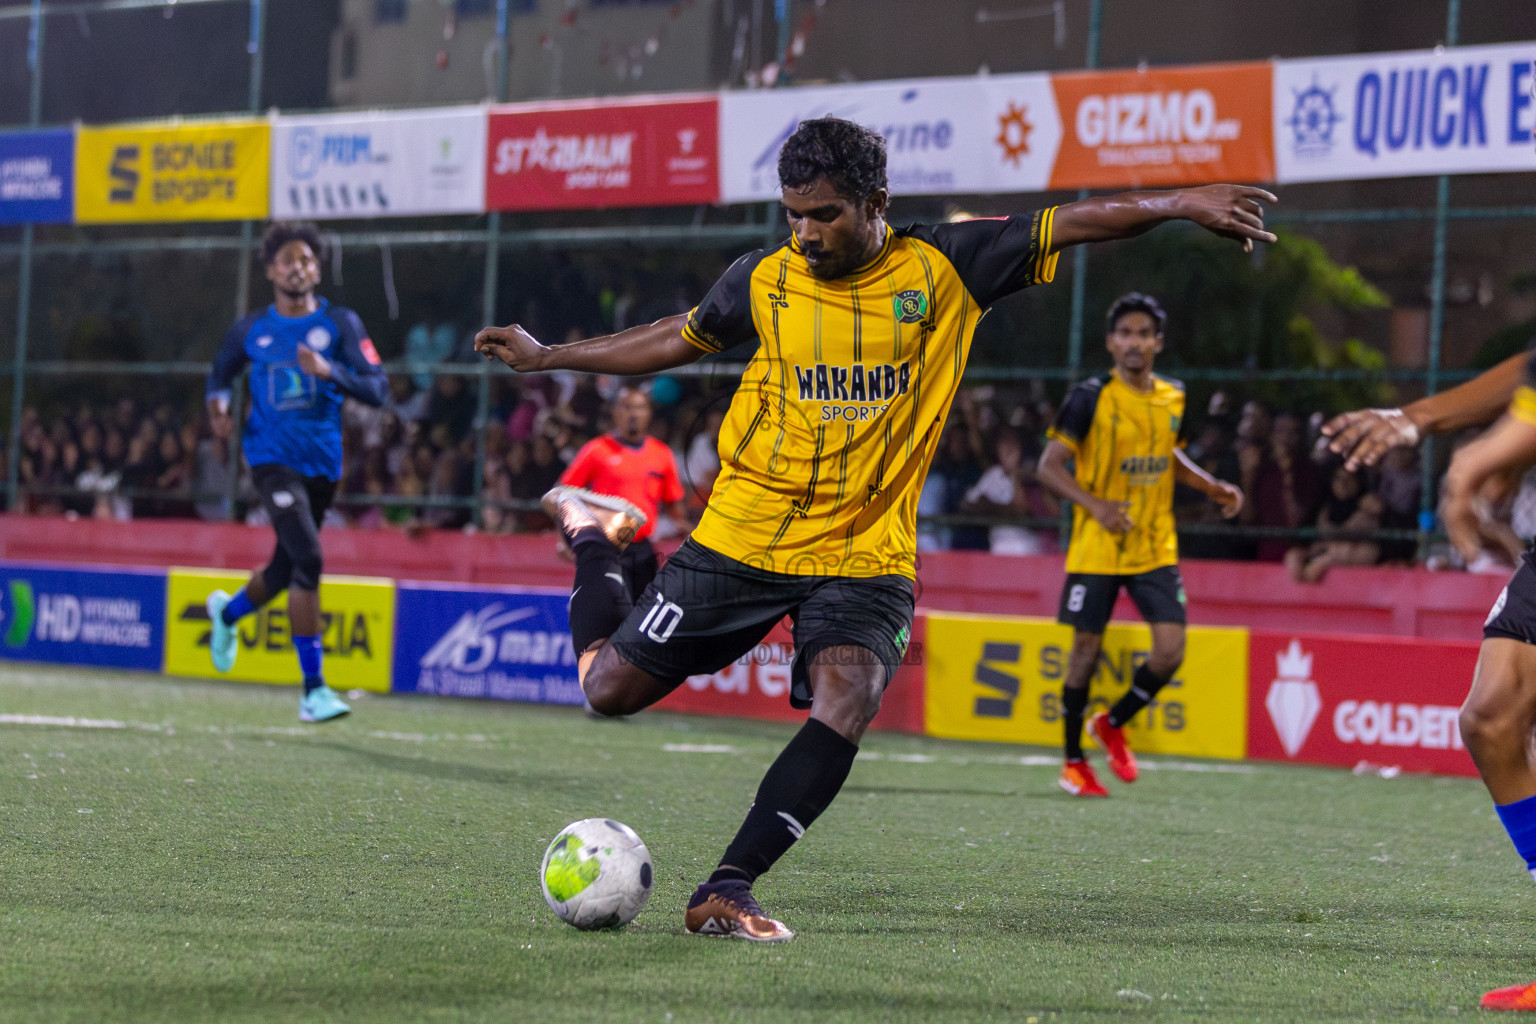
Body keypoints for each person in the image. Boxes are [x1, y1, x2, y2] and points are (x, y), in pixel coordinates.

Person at [474, 117, 1276, 941]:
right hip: (749, 530)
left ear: (875, 202)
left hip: (866, 551)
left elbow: (1071, 221)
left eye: (824, 214)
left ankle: (728, 886)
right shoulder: (764, 278)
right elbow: (674, 338)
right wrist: (548, 356)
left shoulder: (946, 266)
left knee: (849, 694)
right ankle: (591, 530)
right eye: (793, 213)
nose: (806, 232)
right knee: (607, 690)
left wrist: (1180, 202)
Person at [1035, 293, 1244, 798]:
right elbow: (1047, 467)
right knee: (1085, 649)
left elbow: (1166, 456)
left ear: (1158, 342)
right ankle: (1072, 762)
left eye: (1143, 333)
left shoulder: (1173, 395)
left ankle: (1113, 723)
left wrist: (1212, 487)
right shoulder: (1089, 397)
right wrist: (1098, 506)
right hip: (1098, 545)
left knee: (1171, 650)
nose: (1134, 342)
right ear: (1111, 342)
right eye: (1125, 333)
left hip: (1154, 544)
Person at [203, 222, 389, 723]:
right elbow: (220, 371)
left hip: (322, 466)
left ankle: (227, 614)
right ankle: (313, 690)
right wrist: (217, 404)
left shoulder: (341, 324)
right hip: (269, 460)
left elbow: (378, 389)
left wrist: (331, 372)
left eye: (306, 260)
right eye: (287, 261)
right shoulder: (251, 330)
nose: (298, 268)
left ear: (317, 268)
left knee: (286, 569)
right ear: (270, 270)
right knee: (309, 559)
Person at [549, 385, 689, 707]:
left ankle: (625, 690)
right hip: (605, 549)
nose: (633, 414)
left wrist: (688, 531)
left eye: (639, 408)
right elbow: (563, 495)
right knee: (606, 618)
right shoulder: (597, 450)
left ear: (649, 414)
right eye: (626, 407)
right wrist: (563, 538)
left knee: (640, 621)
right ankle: (596, 688)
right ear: (614, 412)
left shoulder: (661, 454)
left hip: (643, 550)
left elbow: (675, 506)